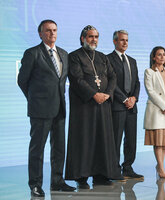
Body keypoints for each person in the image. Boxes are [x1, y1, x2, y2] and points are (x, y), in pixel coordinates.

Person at [18, 19, 76, 197]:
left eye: (54, 30)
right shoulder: (32, 53)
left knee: (58, 148)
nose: (52, 34)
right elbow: (22, 81)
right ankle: (35, 184)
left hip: (59, 108)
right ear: (40, 33)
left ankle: (57, 181)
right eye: (48, 31)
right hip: (40, 109)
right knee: (38, 149)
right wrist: (35, 99)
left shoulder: (64, 54)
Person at [65, 25, 123, 189]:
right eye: (90, 36)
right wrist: (93, 94)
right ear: (83, 38)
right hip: (84, 106)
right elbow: (77, 79)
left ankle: (101, 174)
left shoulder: (103, 57)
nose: (94, 40)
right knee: (84, 139)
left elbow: (112, 77)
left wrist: (108, 93)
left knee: (102, 139)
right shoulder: (74, 56)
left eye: (96, 37)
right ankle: (81, 177)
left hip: (103, 105)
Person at [107, 30, 143, 179]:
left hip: (131, 106)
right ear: (115, 41)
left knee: (131, 139)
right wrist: (124, 99)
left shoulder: (132, 60)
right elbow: (111, 83)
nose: (125, 43)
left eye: (127, 40)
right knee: (116, 139)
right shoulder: (107, 59)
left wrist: (134, 98)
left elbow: (137, 83)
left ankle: (127, 167)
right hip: (117, 106)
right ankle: (114, 169)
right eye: (122, 40)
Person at [144, 46, 165, 178]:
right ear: (153, 57)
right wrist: (163, 106)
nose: (162, 57)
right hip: (157, 110)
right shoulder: (149, 72)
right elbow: (150, 91)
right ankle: (161, 168)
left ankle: (160, 165)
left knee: (164, 142)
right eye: (159, 55)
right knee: (158, 142)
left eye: (164, 54)